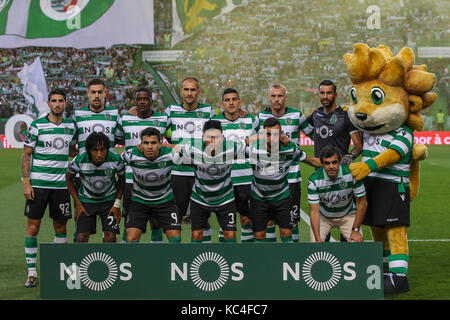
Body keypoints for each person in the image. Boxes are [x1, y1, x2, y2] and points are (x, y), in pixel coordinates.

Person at [22, 88, 77, 288]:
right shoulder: (37, 126)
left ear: (65, 103)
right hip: (38, 186)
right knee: (33, 227)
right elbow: (27, 154)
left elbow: (71, 148)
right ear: (48, 103)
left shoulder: (71, 126)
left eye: (61, 101)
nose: (57, 104)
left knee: (61, 227)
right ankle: (31, 272)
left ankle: (56, 269)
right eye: (54, 101)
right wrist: (26, 181)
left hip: (61, 187)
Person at [248, 117, 320, 243]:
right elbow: (229, 149)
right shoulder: (253, 149)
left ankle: (288, 259)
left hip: (281, 196)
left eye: (275, 134)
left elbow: (312, 161)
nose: (272, 138)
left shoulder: (290, 148)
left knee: (286, 232)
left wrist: (340, 166)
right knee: (259, 235)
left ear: (281, 134)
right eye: (268, 134)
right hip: (259, 197)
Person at [257, 84, 314, 242]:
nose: (276, 99)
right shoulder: (260, 117)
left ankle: (291, 258)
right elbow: (250, 139)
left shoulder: (297, 116)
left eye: (279, 96)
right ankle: (270, 259)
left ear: (285, 97)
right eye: (273, 96)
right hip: (268, 178)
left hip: (291, 178)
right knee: (269, 222)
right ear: (269, 97)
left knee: (292, 223)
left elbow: (314, 135)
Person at [308, 79, 363, 242]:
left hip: (342, 173)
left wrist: (350, 157)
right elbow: (302, 127)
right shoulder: (315, 115)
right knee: (323, 216)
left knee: (344, 216)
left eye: (329, 92)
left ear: (335, 94)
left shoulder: (345, 116)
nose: (325, 96)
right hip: (320, 174)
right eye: (322, 93)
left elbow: (359, 145)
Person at [175, 120, 246, 243]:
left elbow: (253, 146)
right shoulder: (192, 147)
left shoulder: (233, 147)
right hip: (200, 199)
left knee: (230, 236)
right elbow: (175, 154)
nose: (213, 141)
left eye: (217, 137)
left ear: (223, 138)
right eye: (209, 137)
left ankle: (232, 261)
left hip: (225, 199)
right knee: (197, 236)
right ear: (203, 138)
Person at [72, 78, 124, 241]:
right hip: (84, 178)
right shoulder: (78, 115)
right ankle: (77, 263)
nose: (96, 95)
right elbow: (70, 142)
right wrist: (80, 160)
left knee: (108, 231)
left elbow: (123, 138)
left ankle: (106, 263)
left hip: (108, 176)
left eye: (99, 92)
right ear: (88, 94)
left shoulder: (114, 114)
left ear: (105, 93)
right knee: (80, 229)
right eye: (93, 92)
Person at [164, 77, 216, 241]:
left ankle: (201, 254)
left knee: (202, 219)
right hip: (178, 173)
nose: (189, 93)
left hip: (200, 172)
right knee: (175, 219)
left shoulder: (209, 111)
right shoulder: (171, 110)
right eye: (186, 89)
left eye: (193, 90)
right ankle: (177, 256)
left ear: (198, 92)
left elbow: (215, 138)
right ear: (181, 91)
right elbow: (156, 130)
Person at [118, 87, 169, 243]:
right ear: (135, 101)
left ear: (151, 101)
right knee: (130, 224)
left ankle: (154, 263)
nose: (142, 102)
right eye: (139, 99)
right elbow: (118, 141)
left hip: (156, 181)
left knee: (156, 223)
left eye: (145, 99)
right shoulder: (124, 120)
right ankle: (127, 261)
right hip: (130, 180)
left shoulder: (163, 119)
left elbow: (171, 142)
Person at [212, 88, 258, 242]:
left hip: (246, 179)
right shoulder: (214, 123)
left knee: (246, 220)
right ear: (222, 103)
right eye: (227, 100)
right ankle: (225, 257)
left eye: (234, 99)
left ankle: (247, 258)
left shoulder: (251, 120)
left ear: (240, 102)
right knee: (224, 223)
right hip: (225, 180)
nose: (231, 103)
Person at [121, 127, 182, 243]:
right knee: (131, 239)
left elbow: (193, 157)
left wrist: (171, 146)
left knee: (175, 239)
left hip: (165, 202)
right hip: (140, 202)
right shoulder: (131, 155)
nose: (149, 147)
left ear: (160, 144)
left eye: (153, 143)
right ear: (141, 144)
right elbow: (113, 163)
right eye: (146, 143)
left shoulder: (171, 155)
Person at [66, 132, 125, 243]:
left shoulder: (116, 160)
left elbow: (122, 179)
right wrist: (78, 204)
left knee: (111, 237)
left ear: (107, 149)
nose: (99, 154)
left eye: (102, 150)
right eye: (95, 150)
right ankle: (80, 260)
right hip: (86, 201)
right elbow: (69, 179)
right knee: (81, 237)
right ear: (88, 150)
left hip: (109, 202)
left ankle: (110, 260)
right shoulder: (79, 161)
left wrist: (117, 204)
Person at [307, 146, 367, 242]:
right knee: (315, 246)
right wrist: (317, 238)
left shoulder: (352, 174)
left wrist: (355, 230)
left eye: (334, 162)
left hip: (348, 215)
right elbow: (314, 211)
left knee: (358, 243)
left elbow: (362, 203)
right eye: (327, 163)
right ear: (322, 164)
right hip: (324, 217)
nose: (331, 166)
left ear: (339, 162)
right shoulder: (314, 180)